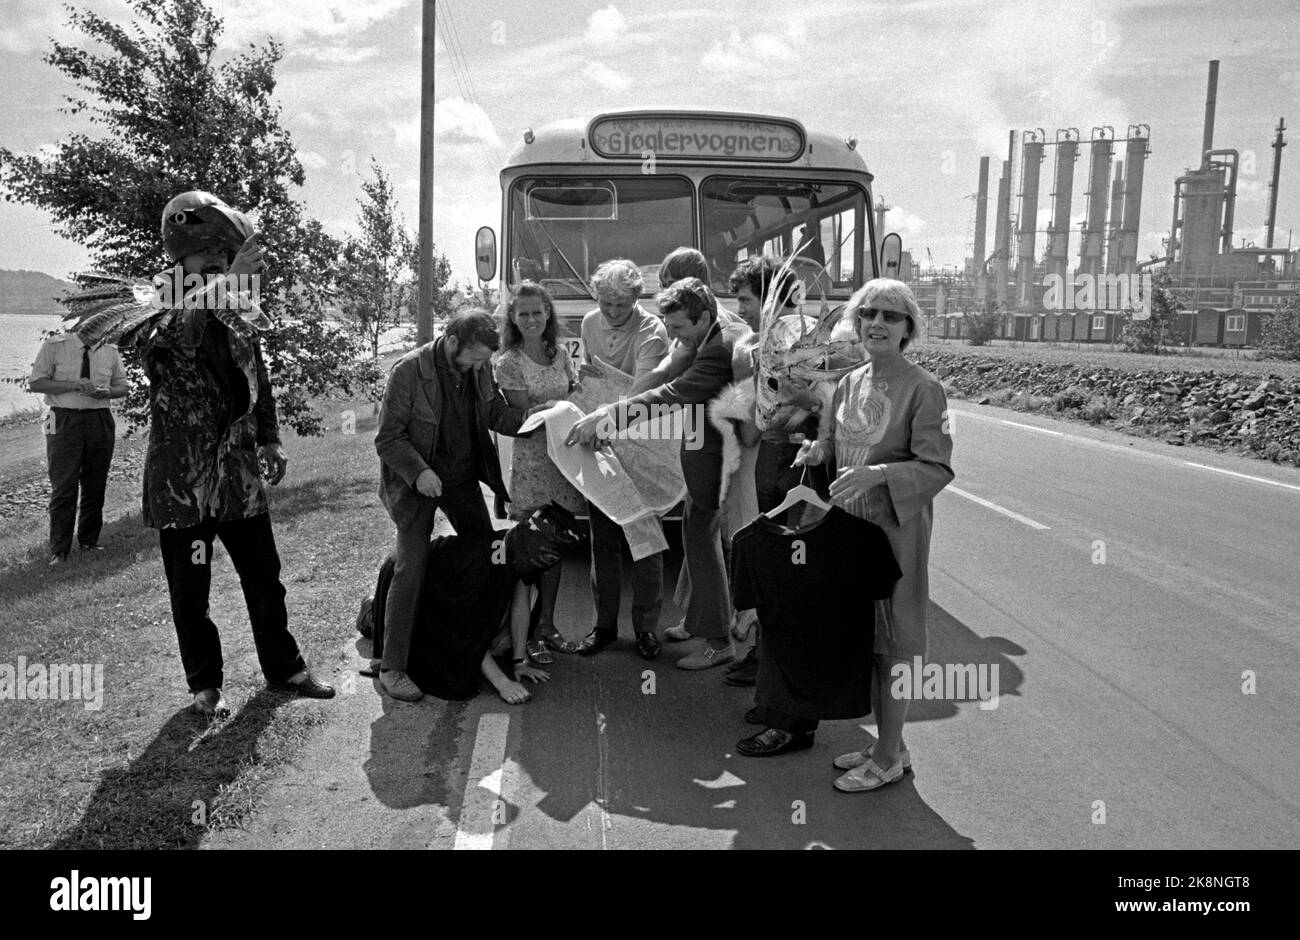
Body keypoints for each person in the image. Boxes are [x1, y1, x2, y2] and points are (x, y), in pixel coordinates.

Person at [138, 190, 334, 716]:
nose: (218, 264)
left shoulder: (235, 301)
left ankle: (286, 669)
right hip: (183, 480)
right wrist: (230, 284)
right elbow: (179, 334)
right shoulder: (155, 299)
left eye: (224, 256)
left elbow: (257, 374)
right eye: (208, 256)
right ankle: (206, 687)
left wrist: (270, 436)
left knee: (263, 576)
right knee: (190, 588)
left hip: (237, 473)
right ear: (180, 257)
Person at [795, 278, 954, 790]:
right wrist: (819, 454)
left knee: (895, 642)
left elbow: (937, 468)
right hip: (850, 527)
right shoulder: (849, 382)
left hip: (895, 531)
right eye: (868, 314)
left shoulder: (926, 389)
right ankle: (894, 745)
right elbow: (837, 445)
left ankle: (885, 760)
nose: (877, 324)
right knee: (867, 638)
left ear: (909, 327)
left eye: (891, 315)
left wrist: (880, 476)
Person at [568, 277, 743, 670]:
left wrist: (610, 414)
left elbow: (672, 394)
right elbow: (667, 369)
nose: (674, 336)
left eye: (679, 328)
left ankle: (720, 641)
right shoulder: (708, 334)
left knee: (703, 544)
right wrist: (615, 411)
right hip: (700, 450)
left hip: (714, 457)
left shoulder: (718, 348)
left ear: (703, 318)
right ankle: (705, 628)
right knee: (698, 543)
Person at [375, 311, 527, 701]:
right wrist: (420, 472)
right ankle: (393, 668)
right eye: (474, 358)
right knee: (411, 567)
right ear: (452, 340)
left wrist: (537, 419)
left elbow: (493, 413)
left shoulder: (479, 365)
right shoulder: (408, 371)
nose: (479, 367)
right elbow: (388, 438)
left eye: (484, 361)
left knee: (491, 556)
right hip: (418, 484)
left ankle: (487, 644)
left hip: (460, 479)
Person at [363, 504, 583, 704]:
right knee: (444, 664)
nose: (552, 562)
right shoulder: (488, 566)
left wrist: (519, 661)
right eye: (551, 555)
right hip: (413, 580)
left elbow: (520, 602)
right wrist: (502, 683)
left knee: (486, 641)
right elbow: (466, 631)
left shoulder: (513, 548)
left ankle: (375, 612)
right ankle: (372, 615)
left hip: (445, 585)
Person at [572, 258, 669, 661]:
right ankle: (604, 626)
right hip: (602, 440)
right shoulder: (589, 322)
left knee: (645, 538)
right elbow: (590, 374)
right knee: (603, 538)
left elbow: (642, 390)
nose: (611, 313)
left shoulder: (653, 330)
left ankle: (646, 628)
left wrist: (603, 409)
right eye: (605, 303)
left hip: (643, 441)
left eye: (620, 305)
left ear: (635, 298)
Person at [493, 282, 584, 664]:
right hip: (534, 461)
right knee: (531, 549)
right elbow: (525, 417)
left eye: (537, 312)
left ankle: (548, 626)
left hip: (564, 459)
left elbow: (574, 391)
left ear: (548, 314)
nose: (531, 319)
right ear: (513, 318)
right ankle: (525, 635)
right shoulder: (508, 362)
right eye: (523, 313)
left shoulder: (559, 352)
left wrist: (580, 390)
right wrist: (564, 403)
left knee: (555, 546)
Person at [27, 330, 128, 564]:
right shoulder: (55, 346)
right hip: (59, 418)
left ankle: (89, 542)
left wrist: (107, 392)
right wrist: (73, 384)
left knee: (95, 483)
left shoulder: (110, 351)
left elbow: (122, 386)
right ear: (82, 321)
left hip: (99, 418)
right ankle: (59, 550)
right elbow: (35, 383)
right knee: (63, 484)